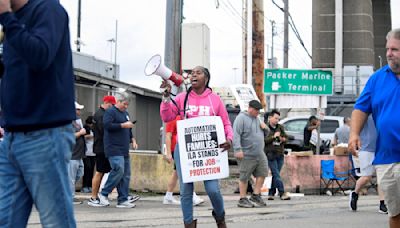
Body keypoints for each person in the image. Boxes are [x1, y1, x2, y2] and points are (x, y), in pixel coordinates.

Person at [0, 0, 77, 226]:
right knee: (5, 221)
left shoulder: (47, 10)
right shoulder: (11, 23)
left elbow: (40, 56)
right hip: (11, 138)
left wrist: (6, 16)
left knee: (56, 222)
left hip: (45, 135)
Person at [160, 66, 232, 228]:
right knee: (186, 190)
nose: (193, 74)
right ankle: (188, 223)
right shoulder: (181, 98)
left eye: (198, 73)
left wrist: (229, 138)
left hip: (209, 149)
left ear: (206, 78)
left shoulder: (215, 99)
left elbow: (226, 122)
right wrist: (165, 97)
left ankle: (220, 217)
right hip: (185, 150)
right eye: (192, 73)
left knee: (213, 189)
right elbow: (167, 116)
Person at [348, 28, 400, 228]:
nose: (388, 53)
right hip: (387, 158)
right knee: (395, 213)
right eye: (388, 49)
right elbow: (360, 108)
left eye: (394, 49)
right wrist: (354, 134)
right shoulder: (377, 79)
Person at [89, 95, 141, 206]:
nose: (126, 107)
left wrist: (133, 140)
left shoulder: (126, 114)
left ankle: (123, 199)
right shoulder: (110, 112)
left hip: (124, 148)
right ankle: (104, 193)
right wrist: (122, 125)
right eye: (124, 104)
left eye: (127, 105)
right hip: (113, 147)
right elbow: (107, 125)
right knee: (118, 169)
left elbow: (129, 129)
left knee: (126, 174)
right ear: (118, 102)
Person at [349, 115, 388, 214]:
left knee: (381, 177)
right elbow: (354, 126)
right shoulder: (364, 113)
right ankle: (355, 193)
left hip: (381, 149)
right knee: (366, 177)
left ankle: (382, 203)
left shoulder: (382, 111)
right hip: (366, 148)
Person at [233, 100, 268, 208]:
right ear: (250, 108)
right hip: (247, 153)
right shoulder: (241, 118)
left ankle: (256, 195)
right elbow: (236, 134)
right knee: (244, 176)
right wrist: (238, 149)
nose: (258, 112)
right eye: (256, 110)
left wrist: (265, 128)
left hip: (259, 153)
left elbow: (266, 134)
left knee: (263, 173)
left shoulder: (258, 118)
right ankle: (242, 199)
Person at [163, 115, 205, 206]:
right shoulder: (172, 118)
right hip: (176, 149)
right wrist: (169, 153)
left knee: (177, 173)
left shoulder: (183, 116)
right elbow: (168, 136)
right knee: (185, 171)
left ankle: (168, 196)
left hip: (184, 148)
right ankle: (192, 196)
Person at [264, 110, 291, 201]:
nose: (277, 120)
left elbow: (287, 138)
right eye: (275, 118)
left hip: (280, 153)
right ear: (270, 118)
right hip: (270, 154)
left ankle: (271, 193)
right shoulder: (265, 127)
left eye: (278, 119)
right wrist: (273, 137)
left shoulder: (280, 127)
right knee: (275, 173)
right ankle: (282, 192)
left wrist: (282, 139)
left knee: (276, 174)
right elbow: (264, 141)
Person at [69, 102, 86, 204]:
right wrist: (80, 133)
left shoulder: (77, 121)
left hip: (78, 154)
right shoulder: (68, 121)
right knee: (70, 178)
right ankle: (70, 197)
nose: (79, 111)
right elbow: (69, 136)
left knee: (80, 172)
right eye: (78, 109)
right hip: (72, 154)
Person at [82, 116, 96, 194]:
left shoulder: (95, 129)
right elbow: (82, 136)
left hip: (93, 152)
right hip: (86, 152)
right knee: (87, 168)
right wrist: (89, 136)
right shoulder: (84, 128)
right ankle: (85, 186)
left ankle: (90, 185)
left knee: (91, 170)